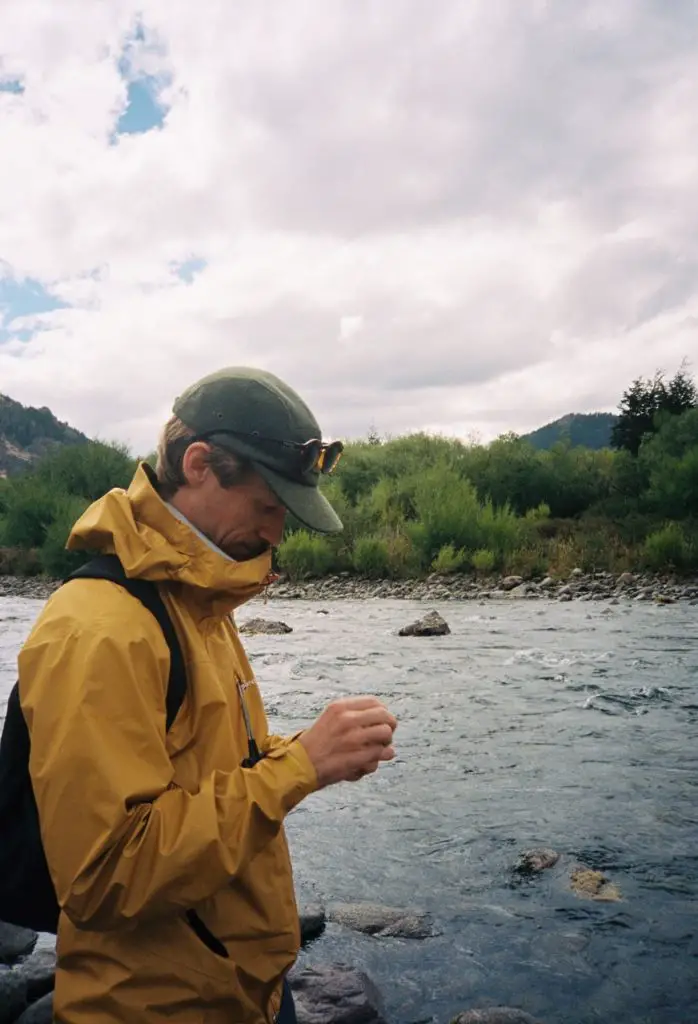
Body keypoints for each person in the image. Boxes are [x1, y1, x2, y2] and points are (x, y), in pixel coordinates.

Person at [17, 366, 397, 1024]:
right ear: (198, 464)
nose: (277, 532)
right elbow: (109, 874)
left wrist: (309, 753)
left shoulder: (195, 605)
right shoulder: (101, 629)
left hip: (234, 994)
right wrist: (299, 768)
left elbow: (207, 768)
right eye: (267, 506)